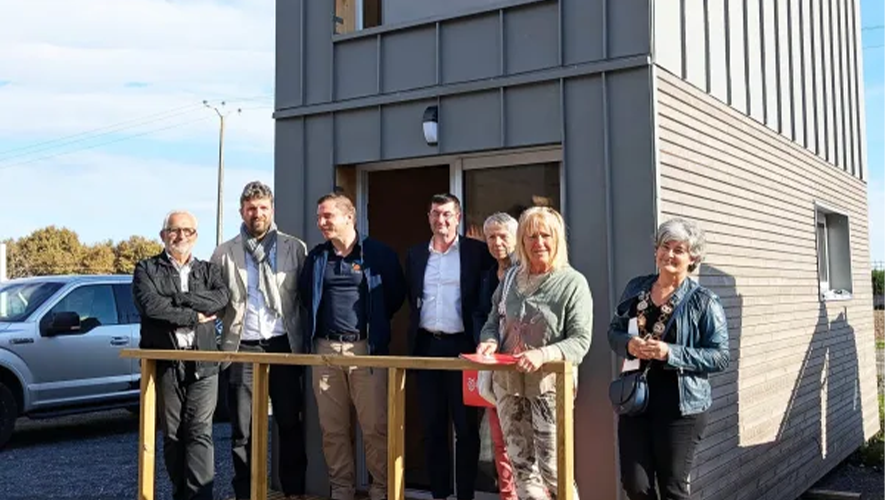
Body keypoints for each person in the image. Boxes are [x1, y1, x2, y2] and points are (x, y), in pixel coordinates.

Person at [607, 217, 729, 500]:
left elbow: (720, 356)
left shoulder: (704, 301)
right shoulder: (636, 288)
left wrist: (670, 353)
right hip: (636, 400)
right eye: (665, 246)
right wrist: (629, 344)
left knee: (672, 489)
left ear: (692, 258)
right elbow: (614, 331)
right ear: (656, 250)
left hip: (680, 407)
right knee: (635, 485)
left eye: (679, 249)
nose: (669, 254)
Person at [476, 206, 592, 500]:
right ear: (522, 242)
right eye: (531, 236)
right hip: (508, 387)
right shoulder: (510, 278)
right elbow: (492, 321)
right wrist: (489, 341)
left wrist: (543, 354)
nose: (538, 242)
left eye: (545, 235)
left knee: (553, 470)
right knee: (522, 468)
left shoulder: (572, 282)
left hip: (548, 389)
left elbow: (580, 341)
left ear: (557, 239)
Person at [298, 192, 406, 500]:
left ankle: (381, 490)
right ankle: (342, 491)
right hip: (325, 351)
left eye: (327, 216)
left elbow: (394, 296)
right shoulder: (317, 258)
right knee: (332, 429)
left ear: (349, 217)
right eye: (319, 217)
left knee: (375, 427)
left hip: (366, 351)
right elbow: (306, 296)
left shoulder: (378, 254)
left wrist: (376, 327)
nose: (321, 222)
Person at [210, 181, 308, 500]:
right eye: (251, 208)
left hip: (283, 343)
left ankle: (293, 491)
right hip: (243, 345)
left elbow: (306, 297)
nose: (257, 213)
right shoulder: (224, 253)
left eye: (263, 207)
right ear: (242, 212)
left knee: (289, 420)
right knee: (242, 428)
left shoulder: (295, 248)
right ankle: (248, 492)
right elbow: (213, 299)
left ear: (272, 210)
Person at [132, 210, 230, 500]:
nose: (181, 236)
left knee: (200, 431)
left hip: (204, 362)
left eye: (188, 230)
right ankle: (181, 494)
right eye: (174, 230)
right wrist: (194, 315)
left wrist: (178, 298)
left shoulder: (209, 271)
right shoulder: (146, 269)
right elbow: (151, 306)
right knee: (173, 435)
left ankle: (200, 497)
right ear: (163, 235)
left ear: (196, 236)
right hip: (167, 363)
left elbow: (221, 298)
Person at [406, 193, 495, 500]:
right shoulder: (416, 255)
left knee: (466, 428)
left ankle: (466, 495)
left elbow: (490, 294)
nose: (440, 220)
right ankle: (440, 494)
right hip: (427, 346)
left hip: (463, 347)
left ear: (458, 217)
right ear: (428, 217)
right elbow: (409, 297)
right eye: (435, 214)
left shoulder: (476, 252)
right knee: (432, 427)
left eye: (446, 214)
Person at [473, 213, 518, 500]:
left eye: (503, 236)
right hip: (493, 366)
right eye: (491, 237)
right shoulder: (488, 275)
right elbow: (481, 314)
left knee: (526, 445)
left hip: (523, 368)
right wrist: (485, 343)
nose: (497, 242)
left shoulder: (527, 272)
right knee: (499, 443)